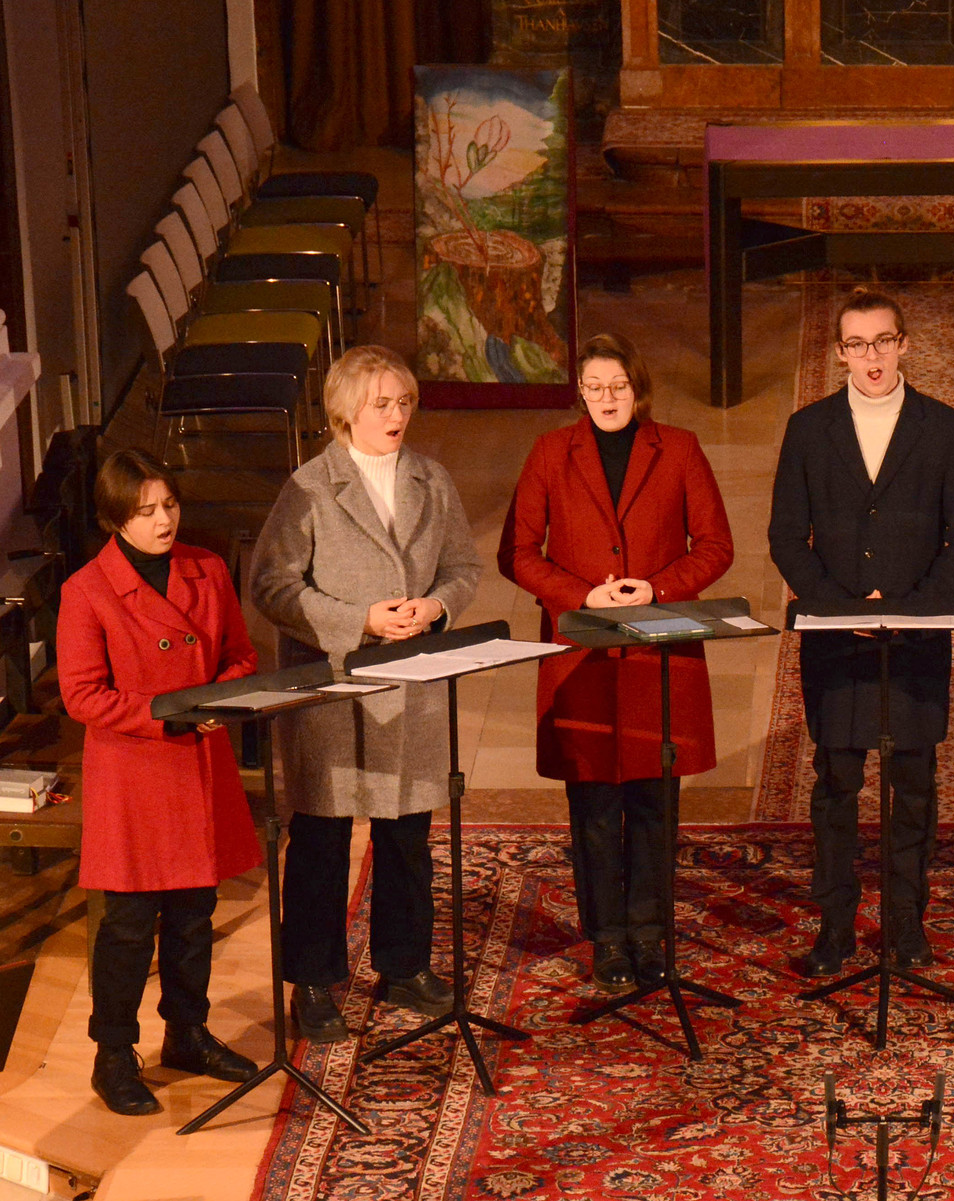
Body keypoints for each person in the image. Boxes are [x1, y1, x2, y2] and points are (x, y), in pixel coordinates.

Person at [249, 344, 483, 1042]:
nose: (396, 414)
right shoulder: (310, 487)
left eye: (404, 402)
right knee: (321, 842)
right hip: (334, 693)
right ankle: (312, 981)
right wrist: (359, 621)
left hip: (410, 689)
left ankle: (404, 966)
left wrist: (436, 606)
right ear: (345, 412)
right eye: (382, 403)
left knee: (406, 837)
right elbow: (272, 586)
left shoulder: (431, 479)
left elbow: (463, 567)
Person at [498, 333, 733, 990]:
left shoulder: (679, 448)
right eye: (595, 386)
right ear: (580, 391)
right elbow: (517, 552)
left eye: (618, 386)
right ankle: (606, 939)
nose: (607, 398)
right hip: (583, 653)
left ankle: (650, 933)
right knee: (595, 804)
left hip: (659, 650)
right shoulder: (551, 452)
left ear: (638, 388)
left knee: (656, 799)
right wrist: (582, 595)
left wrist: (657, 588)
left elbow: (716, 545)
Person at [768, 287, 954, 977]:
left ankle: (905, 925)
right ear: (840, 352)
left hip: (915, 639)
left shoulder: (945, 429)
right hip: (837, 641)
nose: (872, 356)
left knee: (913, 786)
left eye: (883, 341)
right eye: (858, 344)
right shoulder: (809, 429)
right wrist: (840, 608)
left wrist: (914, 608)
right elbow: (786, 536)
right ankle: (835, 927)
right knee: (836, 785)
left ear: (904, 345)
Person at [58, 450, 261, 1114]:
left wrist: (222, 699)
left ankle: (187, 1034)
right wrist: (169, 716)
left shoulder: (208, 568)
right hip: (136, 771)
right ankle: (113, 1054)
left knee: (195, 912)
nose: (163, 520)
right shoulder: (86, 590)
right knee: (126, 925)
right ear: (115, 518)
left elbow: (241, 654)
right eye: (145, 511)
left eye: (169, 504)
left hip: (198, 763)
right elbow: (83, 695)